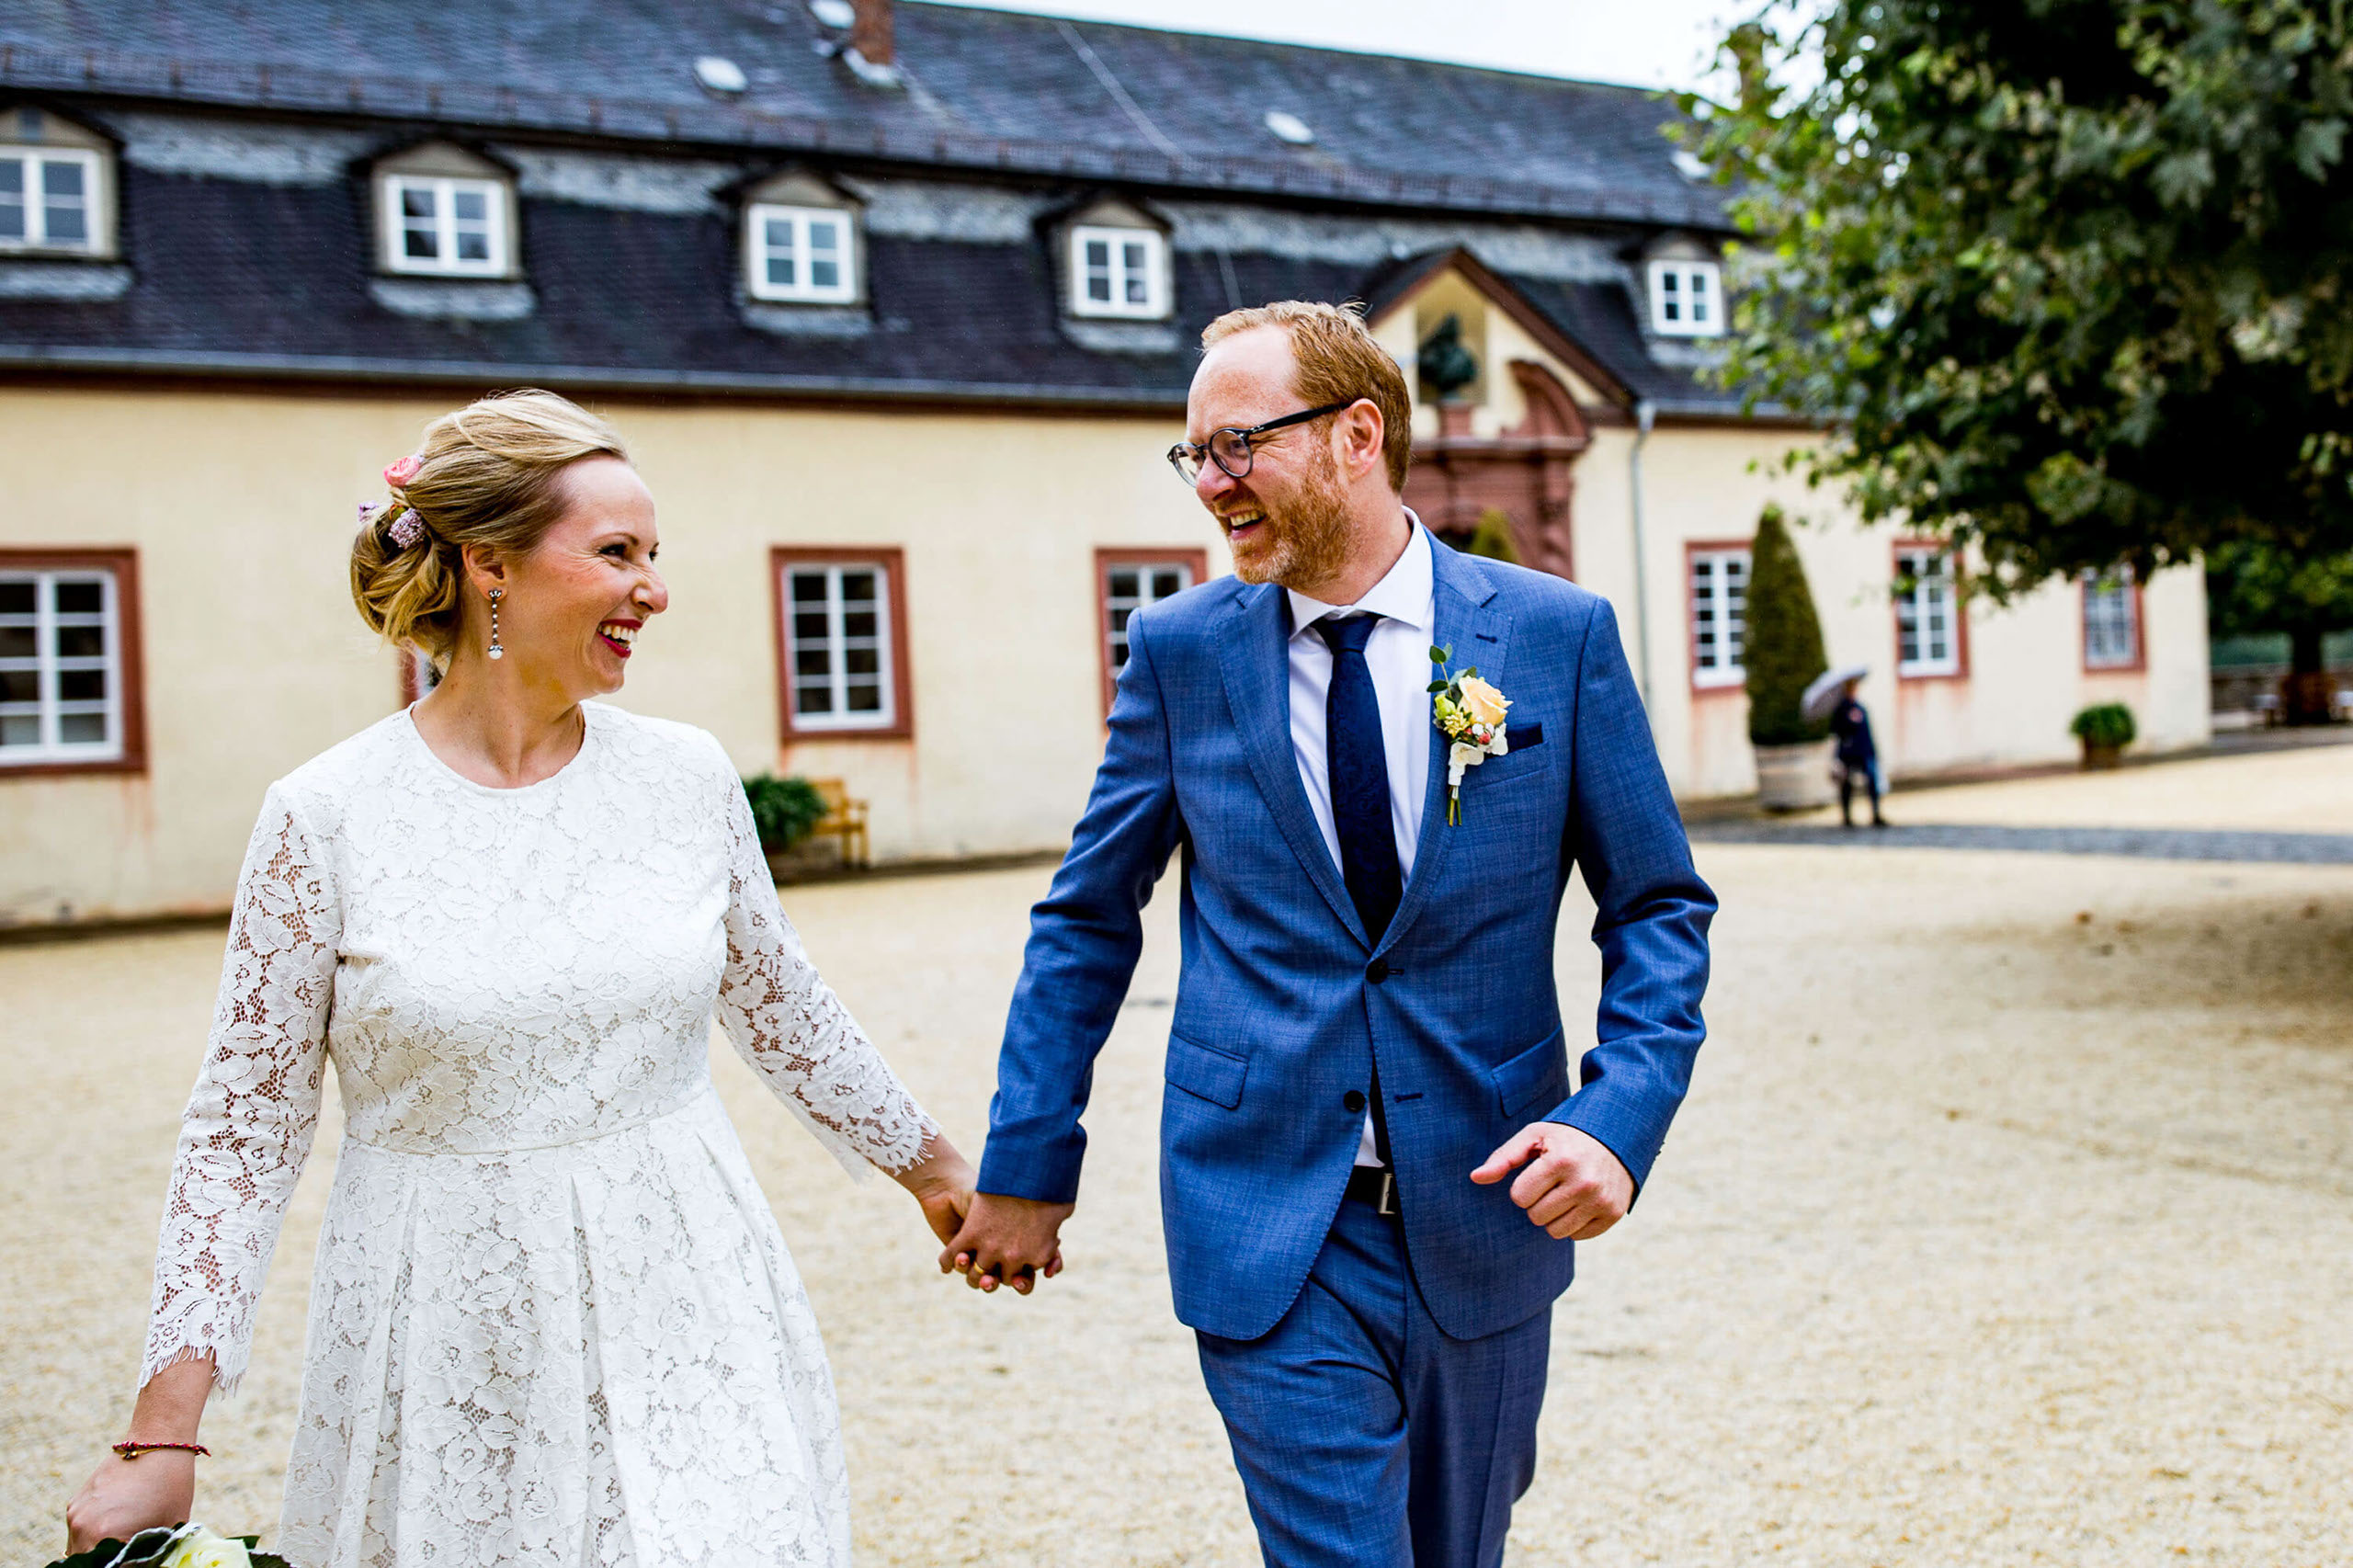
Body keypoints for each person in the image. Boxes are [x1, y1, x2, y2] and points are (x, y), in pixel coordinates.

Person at [65, 390, 976, 1566]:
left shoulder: (686, 777)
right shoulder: (323, 816)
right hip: (442, 1314)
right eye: (617, 553)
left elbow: (779, 999)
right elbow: (243, 1131)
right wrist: (162, 1437)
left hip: (688, 1281)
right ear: (488, 564)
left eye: (654, 554)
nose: (652, 587)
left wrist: (937, 1167)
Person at [943, 302, 1715, 1566]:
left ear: (1359, 435)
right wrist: (1030, 1159)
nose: (1212, 484)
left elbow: (1656, 907)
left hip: (1488, 1205)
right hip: (1266, 1216)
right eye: (1194, 454)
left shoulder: (1555, 636)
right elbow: (1087, 915)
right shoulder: (1182, 652)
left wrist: (1616, 1116)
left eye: (1237, 443)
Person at [1829, 676, 1887, 828]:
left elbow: (1868, 732)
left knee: (1872, 782)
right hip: (1848, 753)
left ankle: (1875, 813)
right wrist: (1849, 721)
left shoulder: (1861, 708)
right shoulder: (1841, 710)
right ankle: (1847, 817)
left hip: (1864, 751)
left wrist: (1874, 751)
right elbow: (1836, 730)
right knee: (1847, 784)